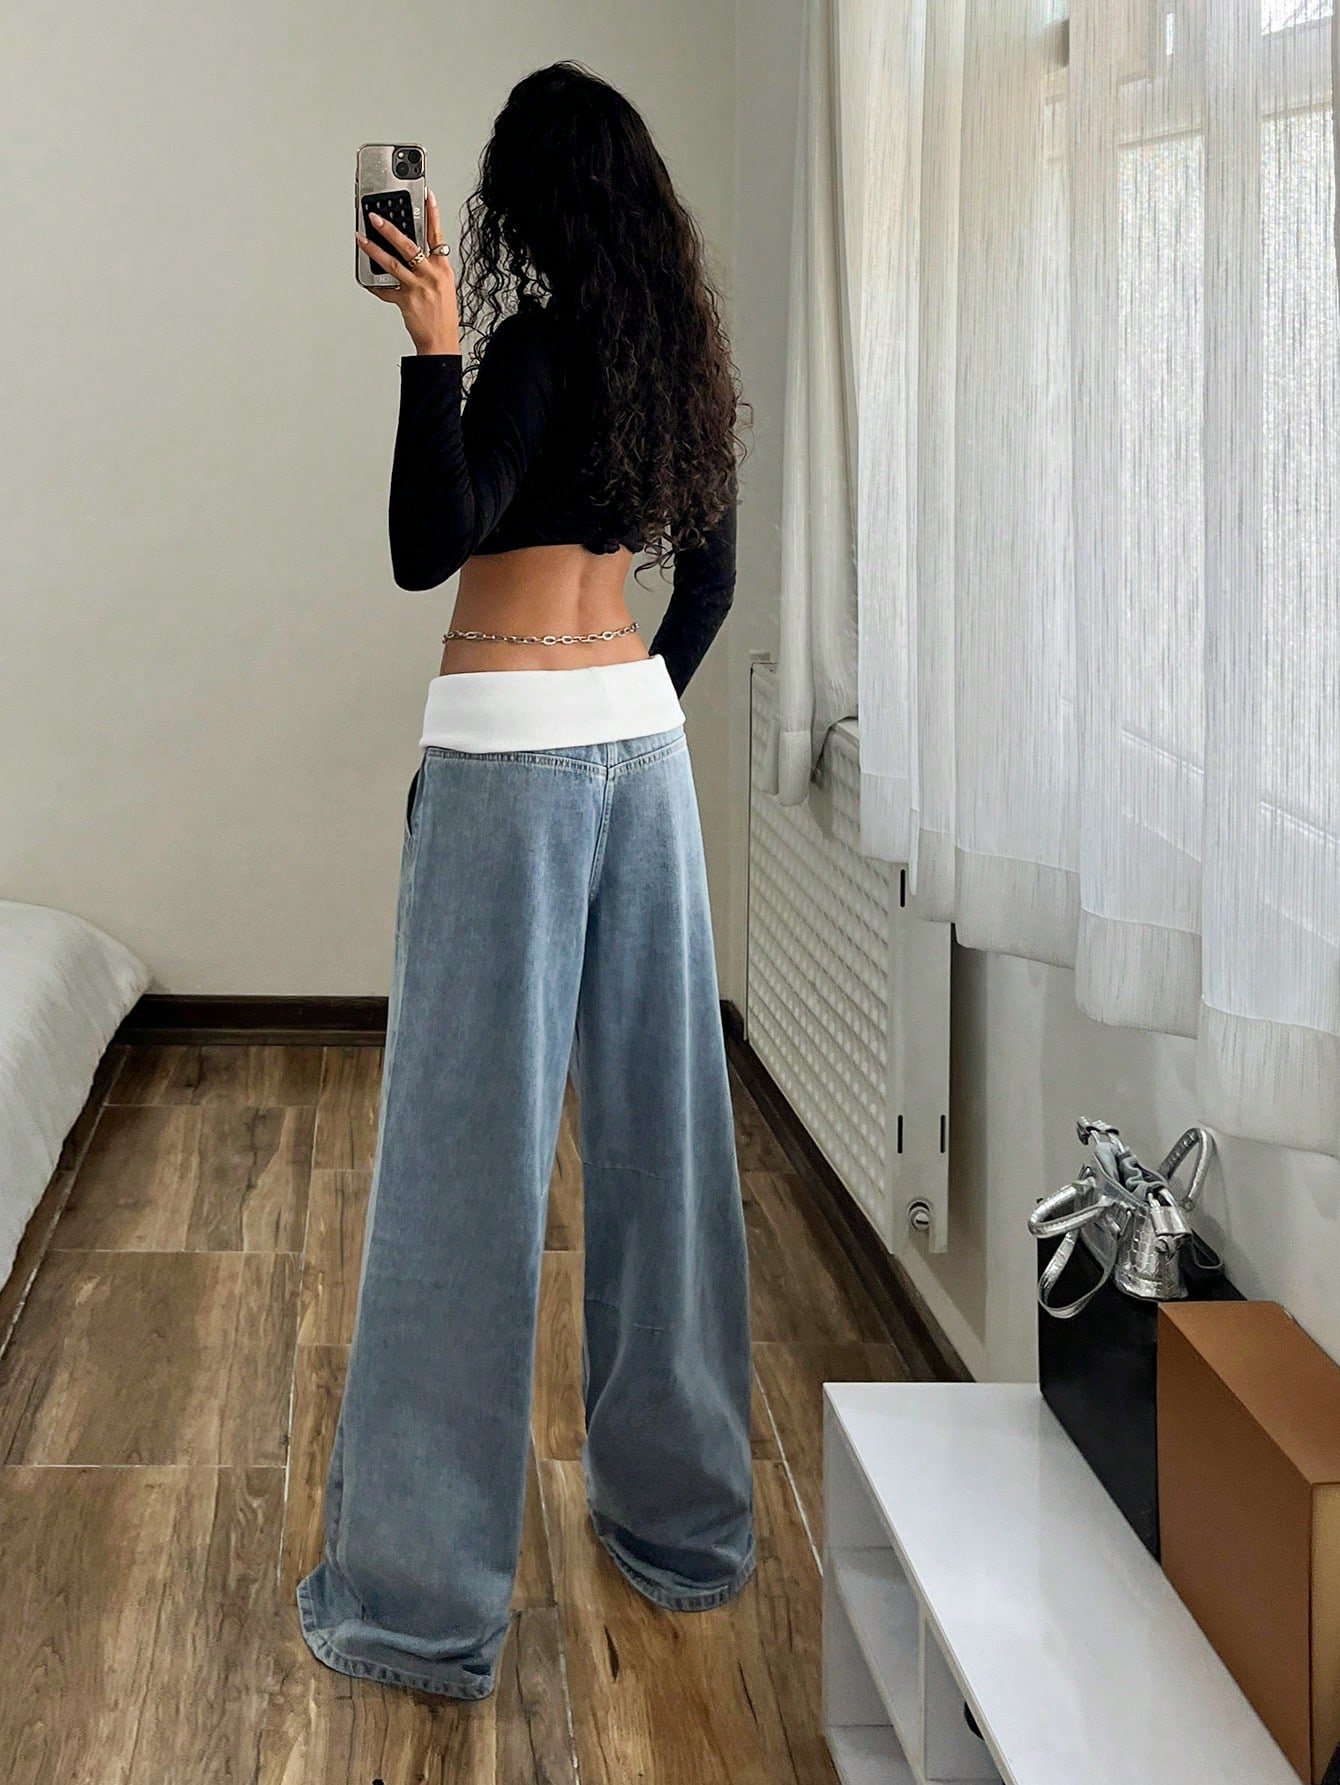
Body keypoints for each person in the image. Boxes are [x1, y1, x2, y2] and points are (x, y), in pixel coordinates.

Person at [296, 61, 755, 1701]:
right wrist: (624, 708)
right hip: (644, 754)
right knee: (666, 1150)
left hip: (505, 762)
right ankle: (684, 1529)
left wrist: (431, 348)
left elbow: (432, 539)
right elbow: (709, 585)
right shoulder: (681, 366)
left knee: (463, 1168)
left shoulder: (536, 350)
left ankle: (419, 1604)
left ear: (516, 204)